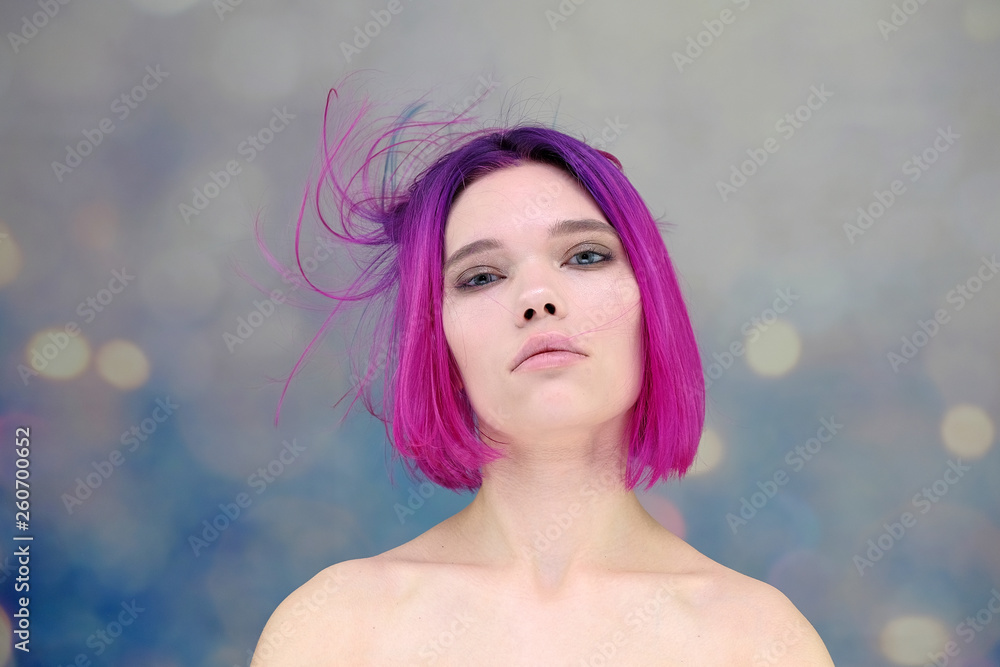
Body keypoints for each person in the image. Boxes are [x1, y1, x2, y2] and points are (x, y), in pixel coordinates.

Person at [251, 82, 836, 665]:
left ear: (651, 307)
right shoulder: (334, 629)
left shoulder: (760, 640)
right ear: (440, 346)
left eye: (585, 256)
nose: (537, 298)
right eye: (481, 276)